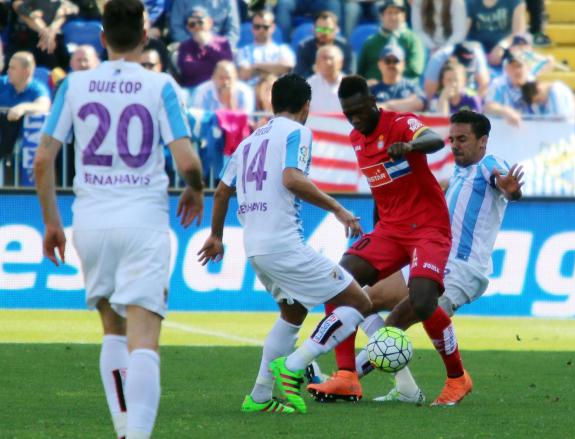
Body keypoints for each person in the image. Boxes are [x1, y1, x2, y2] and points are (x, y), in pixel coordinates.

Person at [33, 1, 204, 438]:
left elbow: (42, 161)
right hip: (143, 221)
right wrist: (195, 188)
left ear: (103, 38)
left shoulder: (74, 84)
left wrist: (52, 223)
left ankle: (124, 429)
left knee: (113, 330)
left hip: (90, 221)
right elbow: (188, 162)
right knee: (144, 339)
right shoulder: (161, 84)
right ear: (145, 38)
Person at [197, 73, 372, 415]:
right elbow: (292, 177)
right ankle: (293, 366)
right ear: (306, 106)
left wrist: (216, 235)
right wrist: (338, 209)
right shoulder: (298, 132)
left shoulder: (248, 141)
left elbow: (221, 192)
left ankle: (259, 397)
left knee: (293, 314)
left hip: (256, 249)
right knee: (359, 302)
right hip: (283, 245)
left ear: (272, 103)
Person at [326, 110, 524, 404]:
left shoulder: (489, 166)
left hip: (461, 270)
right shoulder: (459, 173)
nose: (455, 145)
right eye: (452, 139)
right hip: (431, 255)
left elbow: (502, 184)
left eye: (463, 139)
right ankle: (401, 387)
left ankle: (353, 377)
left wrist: (510, 190)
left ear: (483, 141)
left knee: (395, 323)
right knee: (364, 299)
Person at [306, 75, 471, 406]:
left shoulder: (400, 123)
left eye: (359, 110)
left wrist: (409, 146)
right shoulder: (356, 138)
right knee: (339, 280)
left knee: (423, 301)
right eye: (347, 113)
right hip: (391, 229)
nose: (355, 119)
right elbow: (380, 187)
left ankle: (458, 378)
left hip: (428, 227)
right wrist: (378, 229)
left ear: (372, 101)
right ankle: (346, 376)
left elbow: (434, 141)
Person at [357, 0, 426, 82]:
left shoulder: (413, 39)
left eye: (397, 13)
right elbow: (359, 72)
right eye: (389, 13)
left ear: (404, 16)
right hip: (373, 90)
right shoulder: (370, 42)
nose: (393, 17)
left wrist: (389, 80)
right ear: (381, 16)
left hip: (405, 90)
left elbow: (415, 69)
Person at [177, 6, 233, 88]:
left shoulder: (222, 42)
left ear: (210, 22)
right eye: (192, 24)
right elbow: (187, 69)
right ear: (188, 28)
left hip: (218, 87)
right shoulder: (185, 46)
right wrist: (213, 66)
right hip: (193, 87)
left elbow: (226, 64)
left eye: (200, 22)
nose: (196, 26)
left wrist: (207, 44)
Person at [235, 10, 295, 85]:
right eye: (257, 27)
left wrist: (255, 66)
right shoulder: (243, 51)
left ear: (273, 27)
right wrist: (274, 68)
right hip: (252, 93)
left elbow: (287, 67)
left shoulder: (283, 49)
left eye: (265, 27)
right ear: (252, 28)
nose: (261, 30)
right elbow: (244, 73)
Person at [293, 10, 354, 79]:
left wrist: (333, 71)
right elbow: (300, 76)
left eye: (327, 30)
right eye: (320, 29)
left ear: (336, 30)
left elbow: (350, 76)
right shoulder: (304, 47)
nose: (324, 33)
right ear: (313, 29)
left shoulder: (345, 47)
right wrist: (314, 70)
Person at [465, 0, 526, 65]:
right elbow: (463, 32)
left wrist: (502, 46)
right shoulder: (470, 2)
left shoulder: (515, 2)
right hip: (477, 52)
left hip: (506, 48)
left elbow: (519, 31)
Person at [424, 41, 490, 100]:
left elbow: (484, 85)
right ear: (452, 58)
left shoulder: (477, 54)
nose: (465, 69)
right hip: (442, 91)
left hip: (466, 91)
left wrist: (476, 104)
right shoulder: (437, 59)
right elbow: (429, 93)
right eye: (463, 65)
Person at [370, 44, 426, 112]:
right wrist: (404, 103)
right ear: (379, 64)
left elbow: (420, 103)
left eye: (396, 61)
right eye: (388, 61)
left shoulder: (411, 87)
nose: (391, 64)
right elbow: (367, 109)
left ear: (403, 64)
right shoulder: (372, 90)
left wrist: (386, 105)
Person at [483, 49, 531, 126]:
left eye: (519, 66)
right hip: (505, 131)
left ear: (527, 67)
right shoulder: (498, 84)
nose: (516, 70)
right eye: (512, 67)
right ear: (506, 69)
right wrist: (505, 111)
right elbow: (488, 107)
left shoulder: (535, 84)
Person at [0, 51, 51, 122]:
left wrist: (23, 107)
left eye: (12, 68)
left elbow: (44, 106)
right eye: (9, 67)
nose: (8, 71)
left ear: (26, 72)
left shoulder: (38, 88)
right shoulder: (3, 83)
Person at [169, 0, 239, 47]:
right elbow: (176, 27)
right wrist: (192, 45)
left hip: (220, 47)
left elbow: (233, 30)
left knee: (228, 67)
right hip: (189, 45)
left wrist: (220, 46)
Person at [307, 44, 344, 113]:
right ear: (317, 63)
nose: (328, 62)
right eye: (324, 58)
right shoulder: (309, 85)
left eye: (331, 58)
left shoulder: (351, 86)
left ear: (341, 62)